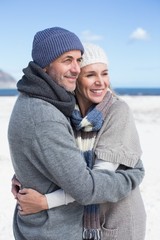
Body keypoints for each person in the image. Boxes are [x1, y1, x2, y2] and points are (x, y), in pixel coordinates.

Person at [8, 27, 145, 240]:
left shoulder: (117, 112)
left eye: (105, 73)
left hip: (116, 221)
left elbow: (91, 185)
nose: (100, 82)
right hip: (87, 224)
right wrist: (27, 172)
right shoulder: (65, 113)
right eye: (90, 74)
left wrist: (132, 175)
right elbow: (65, 165)